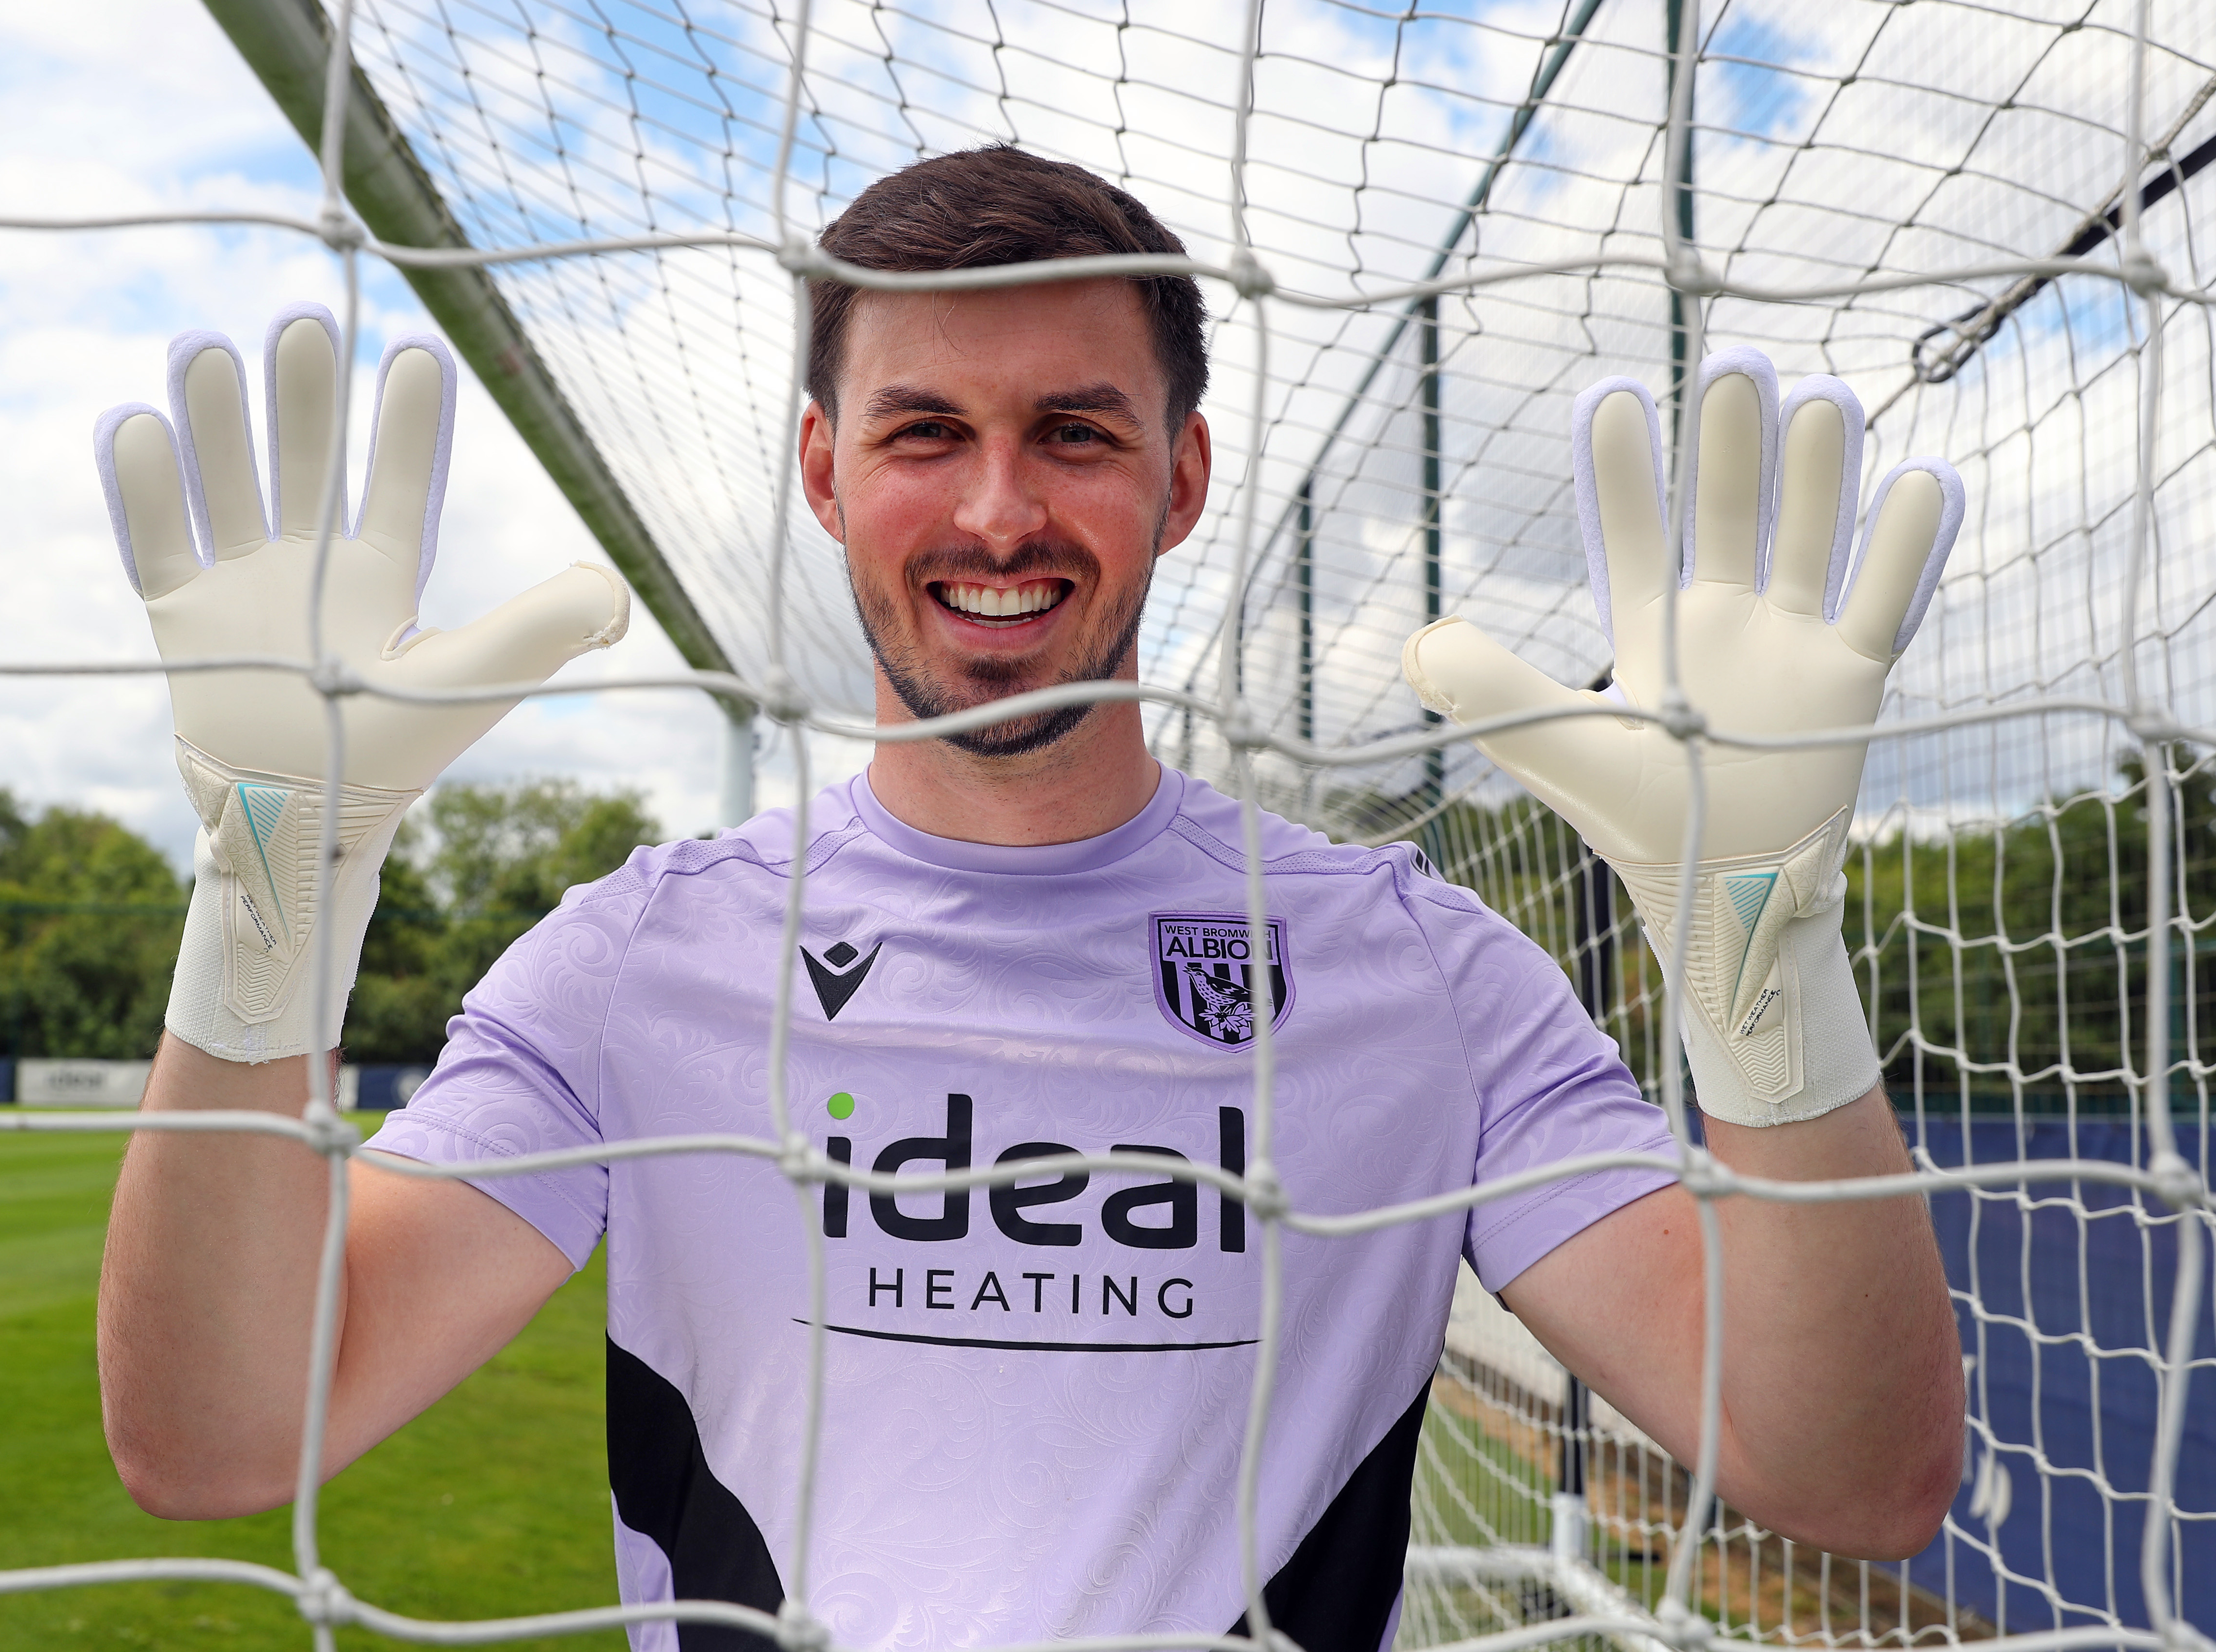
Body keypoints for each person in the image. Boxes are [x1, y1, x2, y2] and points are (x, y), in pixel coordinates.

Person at [96, 146, 1966, 1652]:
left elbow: (1849, 1478)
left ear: (1183, 476)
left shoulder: (1418, 971)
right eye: (924, 435)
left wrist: (1761, 948)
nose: (998, 511)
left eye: (1075, 430)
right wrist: (268, 905)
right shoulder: (635, 958)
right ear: (826, 475)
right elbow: (218, 1437)